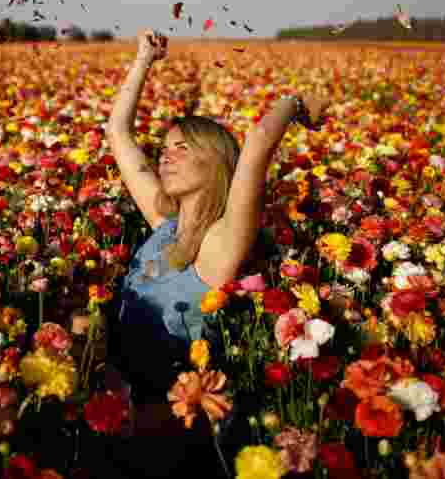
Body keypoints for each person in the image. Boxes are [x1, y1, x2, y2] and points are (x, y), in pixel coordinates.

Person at [87, 29, 328, 477]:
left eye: (183, 148)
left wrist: (296, 105)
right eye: (164, 149)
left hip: (177, 432)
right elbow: (117, 132)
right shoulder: (165, 225)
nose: (166, 157)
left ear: (215, 162)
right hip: (120, 416)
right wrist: (144, 59)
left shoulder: (219, 246)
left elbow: (257, 140)